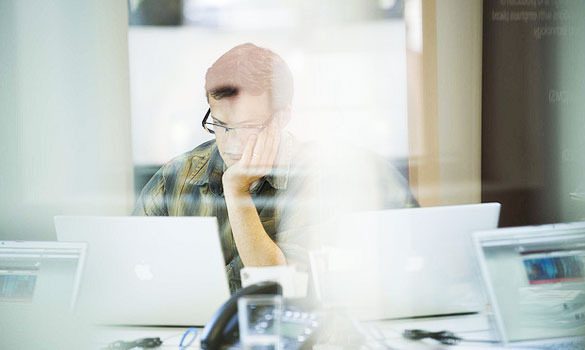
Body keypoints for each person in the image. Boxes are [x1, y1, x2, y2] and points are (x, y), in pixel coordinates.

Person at [134, 43, 416, 293]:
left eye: (247, 127)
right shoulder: (176, 177)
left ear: (282, 118)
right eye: (220, 125)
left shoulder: (318, 177)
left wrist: (237, 190)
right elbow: (132, 267)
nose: (231, 143)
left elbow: (277, 290)